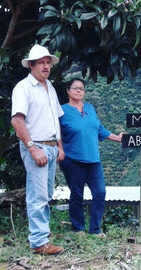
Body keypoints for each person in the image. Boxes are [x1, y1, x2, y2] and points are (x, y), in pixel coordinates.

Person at [11, 44, 65, 255]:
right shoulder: (23, 88)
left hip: (50, 147)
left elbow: (55, 119)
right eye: (41, 63)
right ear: (31, 65)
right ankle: (39, 243)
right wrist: (33, 149)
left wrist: (59, 146)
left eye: (47, 62)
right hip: (37, 146)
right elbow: (17, 121)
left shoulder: (49, 86)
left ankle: (42, 236)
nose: (45, 66)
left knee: (46, 194)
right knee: (38, 196)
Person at [59, 78, 123, 236]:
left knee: (100, 193)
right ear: (68, 91)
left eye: (81, 88)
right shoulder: (61, 110)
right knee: (77, 195)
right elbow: (55, 133)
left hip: (93, 159)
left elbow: (99, 129)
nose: (79, 91)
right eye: (75, 88)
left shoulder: (89, 108)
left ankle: (95, 230)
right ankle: (78, 229)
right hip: (72, 159)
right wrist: (59, 150)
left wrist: (117, 137)